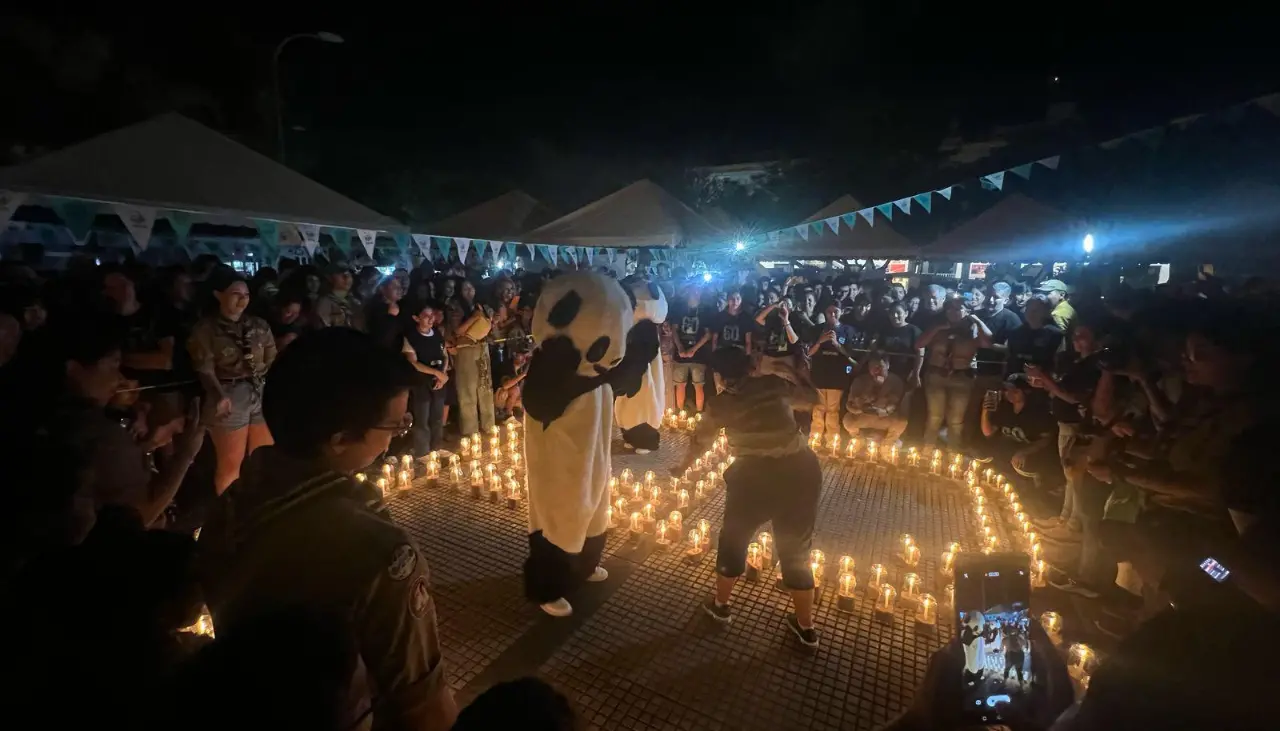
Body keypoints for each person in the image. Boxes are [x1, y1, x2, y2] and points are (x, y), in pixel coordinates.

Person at [199, 328, 457, 731]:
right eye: (394, 428)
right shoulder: (376, 553)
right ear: (339, 439)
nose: (391, 444)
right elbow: (421, 705)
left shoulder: (230, 507)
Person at [691, 347, 823, 648]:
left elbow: (701, 440)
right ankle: (806, 627)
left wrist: (681, 466)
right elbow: (813, 399)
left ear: (718, 376)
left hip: (753, 476)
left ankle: (721, 605)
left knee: (734, 539)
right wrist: (795, 372)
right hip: (800, 471)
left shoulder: (720, 403)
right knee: (795, 548)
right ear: (752, 368)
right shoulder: (774, 385)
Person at [187, 270, 276, 495]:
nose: (242, 299)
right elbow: (204, 368)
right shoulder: (206, 329)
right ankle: (227, 515)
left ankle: (260, 505)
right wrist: (218, 394)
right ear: (218, 295)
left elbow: (271, 356)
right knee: (230, 465)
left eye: (246, 294)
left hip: (259, 390)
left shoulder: (258, 324)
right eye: (236, 294)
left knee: (264, 457)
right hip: (229, 392)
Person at [917, 298, 993, 448]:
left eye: (958, 309)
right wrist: (937, 329)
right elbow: (919, 344)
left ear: (966, 311)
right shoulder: (937, 326)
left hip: (961, 378)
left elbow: (987, 343)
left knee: (956, 420)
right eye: (950, 309)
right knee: (934, 416)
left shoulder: (973, 329)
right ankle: (927, 449)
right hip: (936, 375)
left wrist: (977, 320)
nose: (953, 313)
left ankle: (953, 452)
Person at [979, 375, 1056, 489]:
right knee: (981, 452)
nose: (1009, 394)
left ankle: (1038, 486)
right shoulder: (1004, 408)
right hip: (1007, 450)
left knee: (1020, 464)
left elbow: (1046, 439)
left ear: (1026, 392)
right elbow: (988, 432)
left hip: (1029, 453)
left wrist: (1025, 451)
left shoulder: (1037, 413)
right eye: (1007, 390)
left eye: (1015, 391)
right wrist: (985, 411)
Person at [447, 279, 496, 436]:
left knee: (485, 386)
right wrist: (475, 318)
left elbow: (492, 325)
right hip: (465, 349)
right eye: (465, 289)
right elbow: (458, 331)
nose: (469, 291)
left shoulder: (480, 305)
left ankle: (489, 425)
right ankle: (470, 429)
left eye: (471, 288)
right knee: (467, 389)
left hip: (482, 347)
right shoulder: (454, 306)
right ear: (459, 291)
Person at [401, 299, 449, 457]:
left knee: (437, 416)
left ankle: (436, 447)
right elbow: (413, 362)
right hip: (421, 382)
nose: (430, 319)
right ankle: (423, 452)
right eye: (426, 316)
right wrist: (435, 373)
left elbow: (444, 355)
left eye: (432, 315)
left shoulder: (437, 334)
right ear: (416, 318)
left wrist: (442, 374)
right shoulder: (411, 337)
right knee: (422, 418)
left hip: (438, 382)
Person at [806, 301, 857, 439]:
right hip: (819, 374)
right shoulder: (816, 330)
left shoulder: (848, 330)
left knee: (833, 409)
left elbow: (850, 355)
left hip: (837, 375)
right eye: (829, 312)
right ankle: (815, 437)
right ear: (825, 313)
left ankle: (831, 439)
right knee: (818, 408)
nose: (832, 314)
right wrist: (819, 341)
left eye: (836, 311)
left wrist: (836, 344)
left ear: (842, 312)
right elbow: (809, 353)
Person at [842, 354, 908, 443]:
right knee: (848, 420)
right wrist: (858, 406)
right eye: (873, 367)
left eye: (880, 366)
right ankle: (858, 441)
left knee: (901, 422)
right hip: (864, 415)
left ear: (887, 366)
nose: (877, 370)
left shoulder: (895, 381)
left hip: (884, 417)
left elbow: (894, 404)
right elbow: (850, 404)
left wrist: (884, 407)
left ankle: (887, 444)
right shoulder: (860, 380)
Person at [671, 287, 712, 412]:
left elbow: (708, 334)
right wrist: (680, 348)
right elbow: (674, 330)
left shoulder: (705, 311)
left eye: (698, 292)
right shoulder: (680, 309)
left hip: (699, 356)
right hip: (680, 355)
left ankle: (699, 412)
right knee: (680, 385)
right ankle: (680, 412)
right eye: (694, 292)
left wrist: (693, 349)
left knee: (698, 385)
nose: (696, 294)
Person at [314, 263, 364, 330]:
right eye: (340, 273)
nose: (347, 277)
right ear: (329, 277)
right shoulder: (324, 303)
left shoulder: (356, 300)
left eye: (349, 273)